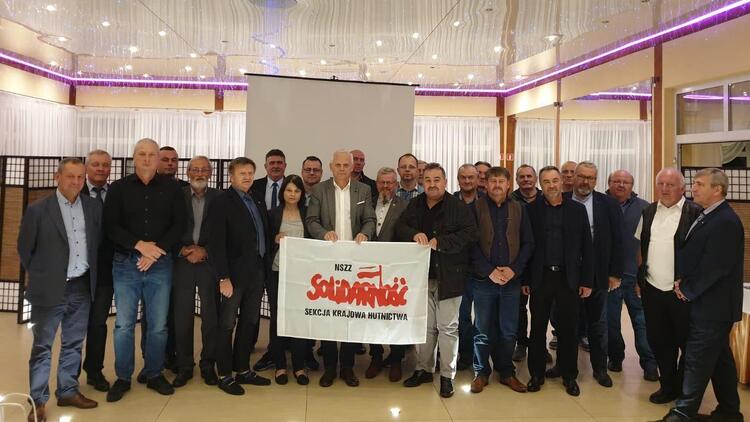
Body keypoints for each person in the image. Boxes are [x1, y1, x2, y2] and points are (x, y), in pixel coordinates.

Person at [19, 158, 102, 422]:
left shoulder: (92, 206)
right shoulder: (38, 209)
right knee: (42, 346)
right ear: (58, 177)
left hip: (81, 286)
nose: (76, 182)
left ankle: (67, 391)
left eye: (80, 177)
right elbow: (25, 249)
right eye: (70, 176)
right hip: (50, 289)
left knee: (74, 343)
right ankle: (38, 400)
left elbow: (96, 243)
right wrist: (45, 275)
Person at [104, 138, 186, 402]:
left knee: (158, 325)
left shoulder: (173, 189)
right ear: (134, 157)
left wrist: (156, 251)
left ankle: (154, 374)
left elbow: (179, 225)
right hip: (126, 264)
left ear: (158, 158)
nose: (147, 159)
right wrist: (139, 245)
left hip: (160, 264)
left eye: (152, 154)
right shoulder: (118, 188)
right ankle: (123, 377)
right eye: (142, 154)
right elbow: (111, 226)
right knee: (124, 325)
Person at [659, 168, 744, 422]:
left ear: (717, 189)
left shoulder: (725, 221)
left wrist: (687, 290)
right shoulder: (708, 215)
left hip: (713, 306)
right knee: (719, 359)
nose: (693, 188)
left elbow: (716, 266)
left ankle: (682, 414)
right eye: (693, 183)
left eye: (699, 184)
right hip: (707, 303)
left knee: (697, 359)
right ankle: (729, 411)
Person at [398, 163, 478, 398]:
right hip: (422, 277)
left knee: (448, 329)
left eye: (437, 180)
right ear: (422, 182)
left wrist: (441, 242)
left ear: (445, 182)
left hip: (450, 277)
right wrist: (413, 234)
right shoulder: (415, 204)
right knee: (425, 327)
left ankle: (446, 376)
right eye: (428, 180)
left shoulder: (458, 207)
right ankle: (424, 369)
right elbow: (400, 226)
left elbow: (470, 234)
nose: (432, 184)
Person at [306, 150, 376, 388]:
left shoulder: (363, 190)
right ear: (331, 166)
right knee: (329, 315)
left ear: (352, 166)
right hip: (327, 262)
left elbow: (370, 219)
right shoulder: (319, 190)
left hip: (354, 262)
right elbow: (311, 220)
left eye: (347, 164)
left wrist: (365, 233)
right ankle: (329, 368)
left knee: (349, 316)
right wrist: (323, 233)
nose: (343, 168)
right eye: (339, 164)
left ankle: (347, 367)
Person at [549, 161, 622, 389]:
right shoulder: (561, 199)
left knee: (597, 324)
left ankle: (600, 369)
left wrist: (615, 273)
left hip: (597, 274)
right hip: (566, 275)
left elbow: (618, 240)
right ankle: (563, 365)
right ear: (572, 178)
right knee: (565, 324)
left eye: (590, 178)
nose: (585, 181)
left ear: (596, 181)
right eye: (581, 176)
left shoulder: (608, 204)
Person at [525, 166, 593, 397]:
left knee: (568, 329)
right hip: (541, 277)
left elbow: (587, 247)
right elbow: (527, 247)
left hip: (568, 278)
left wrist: (586, 280)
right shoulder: (531, 210)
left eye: (555, 180)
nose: (552, 185)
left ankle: (568, 374)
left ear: (562, 182)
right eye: (546, 182)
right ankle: (536, 374)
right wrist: (526, 279)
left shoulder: (577, 210)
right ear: (540, 184)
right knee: (537, 328)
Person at [208, 157, 272, 395]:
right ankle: (224, 374)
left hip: (257, 272)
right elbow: (216, 243)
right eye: (242, 173)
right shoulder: (221, 202)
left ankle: (243, 369)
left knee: (249, 322)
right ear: (231, 176)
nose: (247, 177)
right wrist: (223, 277)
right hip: (233, 276)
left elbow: (261, 232)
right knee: (227, 324)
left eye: (250, 173)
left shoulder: (256, 198)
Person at [636, 168, 700, 404]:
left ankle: (685, 389)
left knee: (686, 341)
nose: (664, 189)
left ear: (682, 188)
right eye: (661, 184)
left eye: (670, 185)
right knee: (659, 340)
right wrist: (640, 278)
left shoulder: (695, 213)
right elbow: (641, 246)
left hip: (682, 292)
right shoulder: (648, 211)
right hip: (652, 290)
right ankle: (668, 386)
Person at [469, 166, 534, 394]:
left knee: (508, 330)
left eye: (501, 181)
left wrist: (514, 270)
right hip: (483, 280)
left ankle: (506, 372)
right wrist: (489, 271)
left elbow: (528, 243)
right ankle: (481, 372)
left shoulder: (520, 209)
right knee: (482, 330)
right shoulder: (474, 208)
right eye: (493, 181)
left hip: (511, 282)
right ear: (485, 184)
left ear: (508, 185)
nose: (497, 185)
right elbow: (470, 244)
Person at [171, 156, 222, 388]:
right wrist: (182, 249)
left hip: (208, 263)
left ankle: (208, 365)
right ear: (188, 172)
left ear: (210, 173)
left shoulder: (220, 198)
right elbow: (167, 226)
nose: (199, 173)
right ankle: (184, 366)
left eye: (204, 170)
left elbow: (225, 232)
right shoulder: (177, 196)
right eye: (195, 169)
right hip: (182, 261)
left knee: (211, 316)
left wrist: (206, 250)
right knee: (182, 316)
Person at [605, 170, 658, 381]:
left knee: (642, 322)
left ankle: (650, 363)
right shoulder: (600, 204)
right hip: (609, 276)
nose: (621, 185)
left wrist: (644, 274)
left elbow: (651, 244)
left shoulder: (645, 208)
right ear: (609, 183)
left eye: (625, 182)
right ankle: (615, 357)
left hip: (636, 277)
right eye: (616, 181)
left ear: (632, 185)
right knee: (610, 322)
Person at [365, 167, 409, 382]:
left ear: (396, 185)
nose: (385, 186)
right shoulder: (366, 203)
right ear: (376, 184)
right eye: (382, 182)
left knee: (394, 316)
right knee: (372, 315)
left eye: (390, 183)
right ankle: (375, 356)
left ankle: (396, 359)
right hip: (368, 271)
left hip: (394, 271)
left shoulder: (406, 206)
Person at [267, 175, 312, 386]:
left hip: (301, 276)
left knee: (299, 319)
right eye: (289, 190)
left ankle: (299, 366)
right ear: (282, 192)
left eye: (296, 191)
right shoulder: (273, 214)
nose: (292, 194)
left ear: (302, 194)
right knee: (278, 319)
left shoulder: (308, 214)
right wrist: (274, 239)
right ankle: (280, 366)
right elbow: (263, 241)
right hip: (277, 272)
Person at [250, 149, 288, 371]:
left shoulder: (291, 187)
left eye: (279, 163)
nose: (275, 166)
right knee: (253, 305)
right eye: (271, 162)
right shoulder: (253, 186)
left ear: (285, 166)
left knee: (277, 309)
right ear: (265, 166)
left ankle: (277, 350)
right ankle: (249, 344)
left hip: (280, 259)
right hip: (256, 256)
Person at [80, 150, 115, 393]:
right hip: (79, 271)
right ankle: (69, 378)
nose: (101, 169)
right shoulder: (75, 193)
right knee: (74, 326)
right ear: (86, 167)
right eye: (95, 164)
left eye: (105, 165)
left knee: (98, 323)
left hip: (107, 270)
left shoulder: (116, 194)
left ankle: (94, 371)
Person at [510, 164, 543, 362]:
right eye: (521, 177)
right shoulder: (511, 200)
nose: (526, 180)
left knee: (541, 308)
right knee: (519, 308)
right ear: (516, 180)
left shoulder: (545, 197)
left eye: (529, 176)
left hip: (541, 260)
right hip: (519, 261)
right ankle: (521, 343)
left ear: (535, 178)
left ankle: (539, 346)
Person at [453, 163, 484, 370]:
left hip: (482, 269)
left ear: (477, 179)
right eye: (463, 177)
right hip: (458, 269)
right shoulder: (449, 202)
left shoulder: (486, 202)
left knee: (482, 318)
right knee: (462, 316)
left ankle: (481, 356)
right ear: (458, 180)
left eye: (471, 177)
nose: (467, 181)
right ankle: (465, 355)